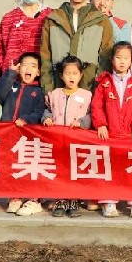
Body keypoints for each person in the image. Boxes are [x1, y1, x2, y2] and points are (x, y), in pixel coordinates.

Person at [89, 41, 132, 218]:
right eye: (118, 57)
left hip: (131, 133)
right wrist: (101, 124)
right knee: (110, 166)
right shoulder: (104, 82)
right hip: (110, 132)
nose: (122, 61)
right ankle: (109, 202)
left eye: (126, 58)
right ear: (112, 59)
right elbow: (97, 105)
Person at [0, 52, 48, 216]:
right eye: (25, 65)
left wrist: (26, 119)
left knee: (28, 166)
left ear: (38, 72)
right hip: (9, 135)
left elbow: (40, 112)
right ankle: (15, 196)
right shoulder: (11, 86)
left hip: (28, 137)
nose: (28, 68)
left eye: (33, 66)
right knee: (12, 166)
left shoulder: (39, 91)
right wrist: (10, 73)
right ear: (19, 68)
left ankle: (33, 198)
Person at [39, 0, 114, 92]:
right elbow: (45, 57)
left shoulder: (101, 21)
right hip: (58, 90)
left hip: (89, 89)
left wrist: (99, 90)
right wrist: (48, 88)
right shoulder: (53, 19)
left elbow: (105, 59)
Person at [43, 56, 93, 219]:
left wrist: (82, 122)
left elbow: (91, 115)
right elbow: (47, 109)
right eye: (67, 73)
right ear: (61, 75)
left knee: (74, 171)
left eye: (75, 73)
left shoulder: (86, 95)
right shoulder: (55, 94)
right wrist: (47, 118)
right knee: (59, 171)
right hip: (58, 141)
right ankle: (60, 200)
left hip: (76, 142)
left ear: (81, 75)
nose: (71, 77)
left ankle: (74, 200)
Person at [0, 0, 52, 77]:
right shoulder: (9, 18)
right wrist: (2, 71)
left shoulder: (50, 16)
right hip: (12, 80)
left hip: (43, 79)